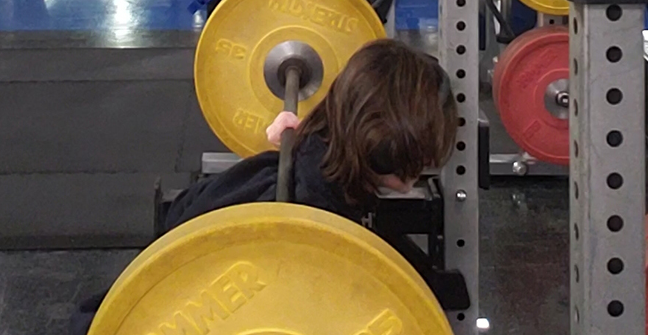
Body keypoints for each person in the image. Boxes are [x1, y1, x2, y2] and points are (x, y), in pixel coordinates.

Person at [69, 38, 459, 335]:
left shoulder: (314, 159)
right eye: (420, 162)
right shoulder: (304, 212)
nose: (422, 172)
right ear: (387, 154)